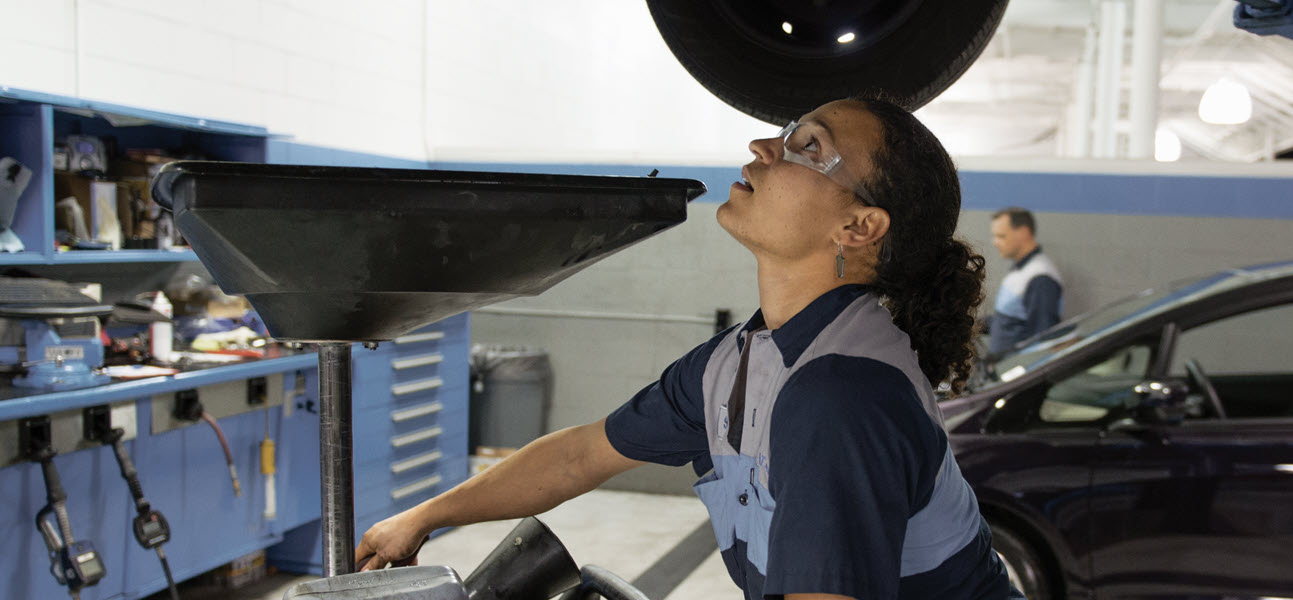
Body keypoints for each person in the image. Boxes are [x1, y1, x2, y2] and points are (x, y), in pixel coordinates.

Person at [355, 97, 1025, 600]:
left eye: (806, 146)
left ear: (858, 225)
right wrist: (425, 516)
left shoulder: (842, 396)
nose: (766, 146)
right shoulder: (739, 361)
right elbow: (582, 454)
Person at [985, 208, 1062, 359]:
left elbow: (1042, 339)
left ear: (1024, 233)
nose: (995, 242)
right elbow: (1009, 321)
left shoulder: (1040, 278)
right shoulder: (1021, 270)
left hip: (1014, 374)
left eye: (1001, 236)